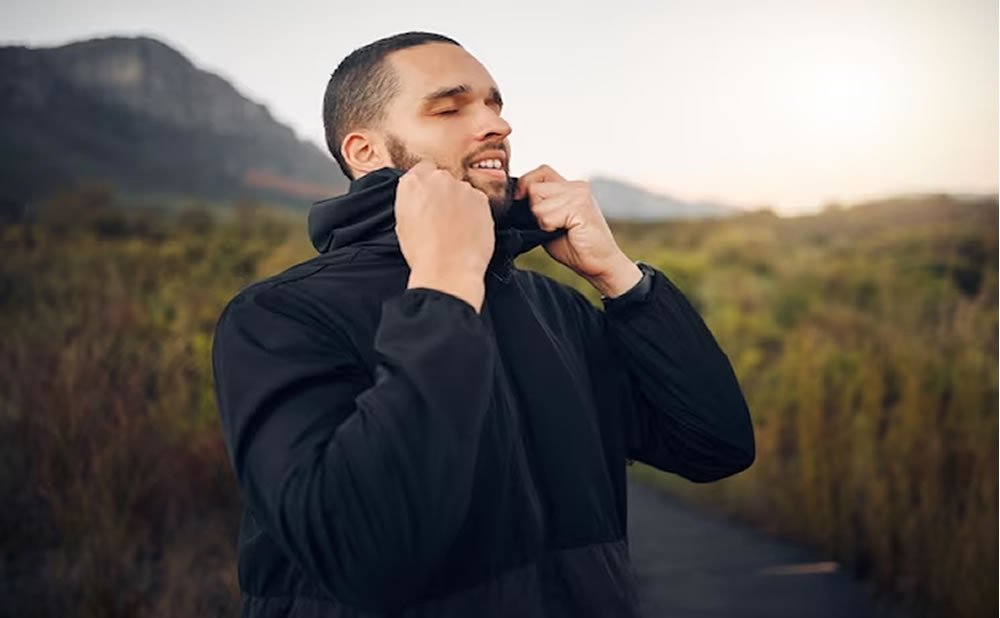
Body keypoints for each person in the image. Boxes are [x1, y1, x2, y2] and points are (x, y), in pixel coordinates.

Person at [211, 31, 755, 618]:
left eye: (494, 104)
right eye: (450, 107)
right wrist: (445, 282)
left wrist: (618, 276)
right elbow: (361, 553)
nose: (497, 125)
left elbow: (714, 446)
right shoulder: (280, 316)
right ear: (364, 152)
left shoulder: (557, 310)